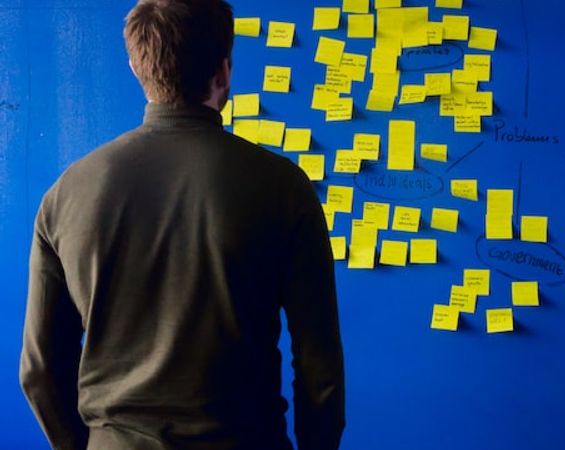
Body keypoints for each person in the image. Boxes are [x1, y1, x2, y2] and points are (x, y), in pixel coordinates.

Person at [19, 0, 345, 448]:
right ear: (224, 72)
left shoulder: (67, 193)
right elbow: (320, 372)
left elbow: (38, 370)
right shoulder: (284, 188)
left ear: (137, 67)